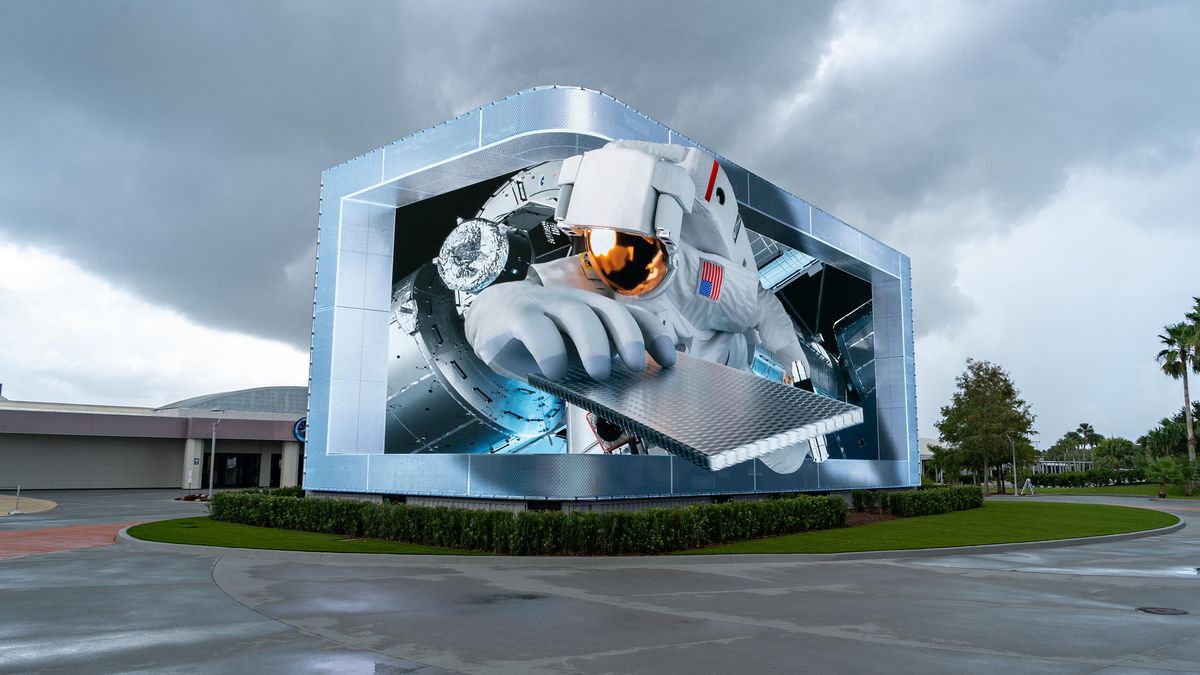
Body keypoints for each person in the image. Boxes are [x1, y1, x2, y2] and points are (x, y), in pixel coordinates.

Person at [464, 141, 817, 470]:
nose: (620, 261)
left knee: (789, 458)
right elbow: (530, 293)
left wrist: (793, 362)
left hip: (724, 389)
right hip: (649, 414)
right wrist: (490, 310)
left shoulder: (700, 280)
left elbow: (760, 306)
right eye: (605, 245)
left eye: (635, 248)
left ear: (664, 239)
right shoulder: (596, 272)